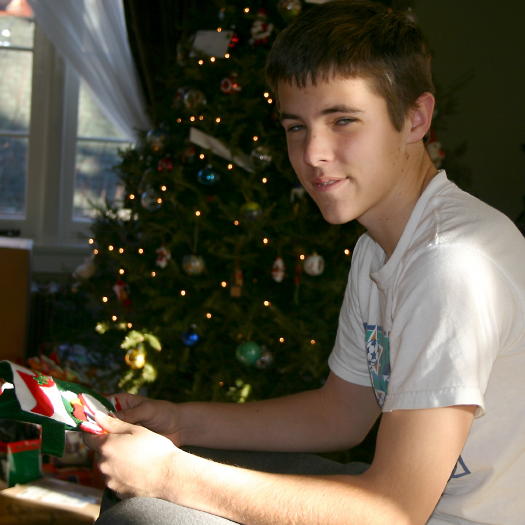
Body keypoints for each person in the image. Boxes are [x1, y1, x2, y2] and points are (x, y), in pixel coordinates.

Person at [84, 1, 525, 524]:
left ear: (415, 119)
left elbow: (390, 511)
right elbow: (340, 413)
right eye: (296, 126)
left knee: (148, 511)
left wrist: (167, 475)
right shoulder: (379, 247)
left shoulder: (451, 267)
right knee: (152, 481)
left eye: (343, 121)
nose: (313, 153)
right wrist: (180, 424)